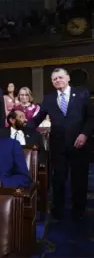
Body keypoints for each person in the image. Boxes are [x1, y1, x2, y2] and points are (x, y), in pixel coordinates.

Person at [30, 68, 94, 220]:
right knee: (58, 179)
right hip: (58, 145)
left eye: (60, 77)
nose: (57, 80)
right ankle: (57, 210)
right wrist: (20, 129)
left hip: (79, 144)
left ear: (68, 78)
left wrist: (84, 134)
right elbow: (38, 118)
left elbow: (91, 117)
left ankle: (79, 210)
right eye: (54, 79)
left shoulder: (82, 94)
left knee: (79, 179)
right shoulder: (49, 98)